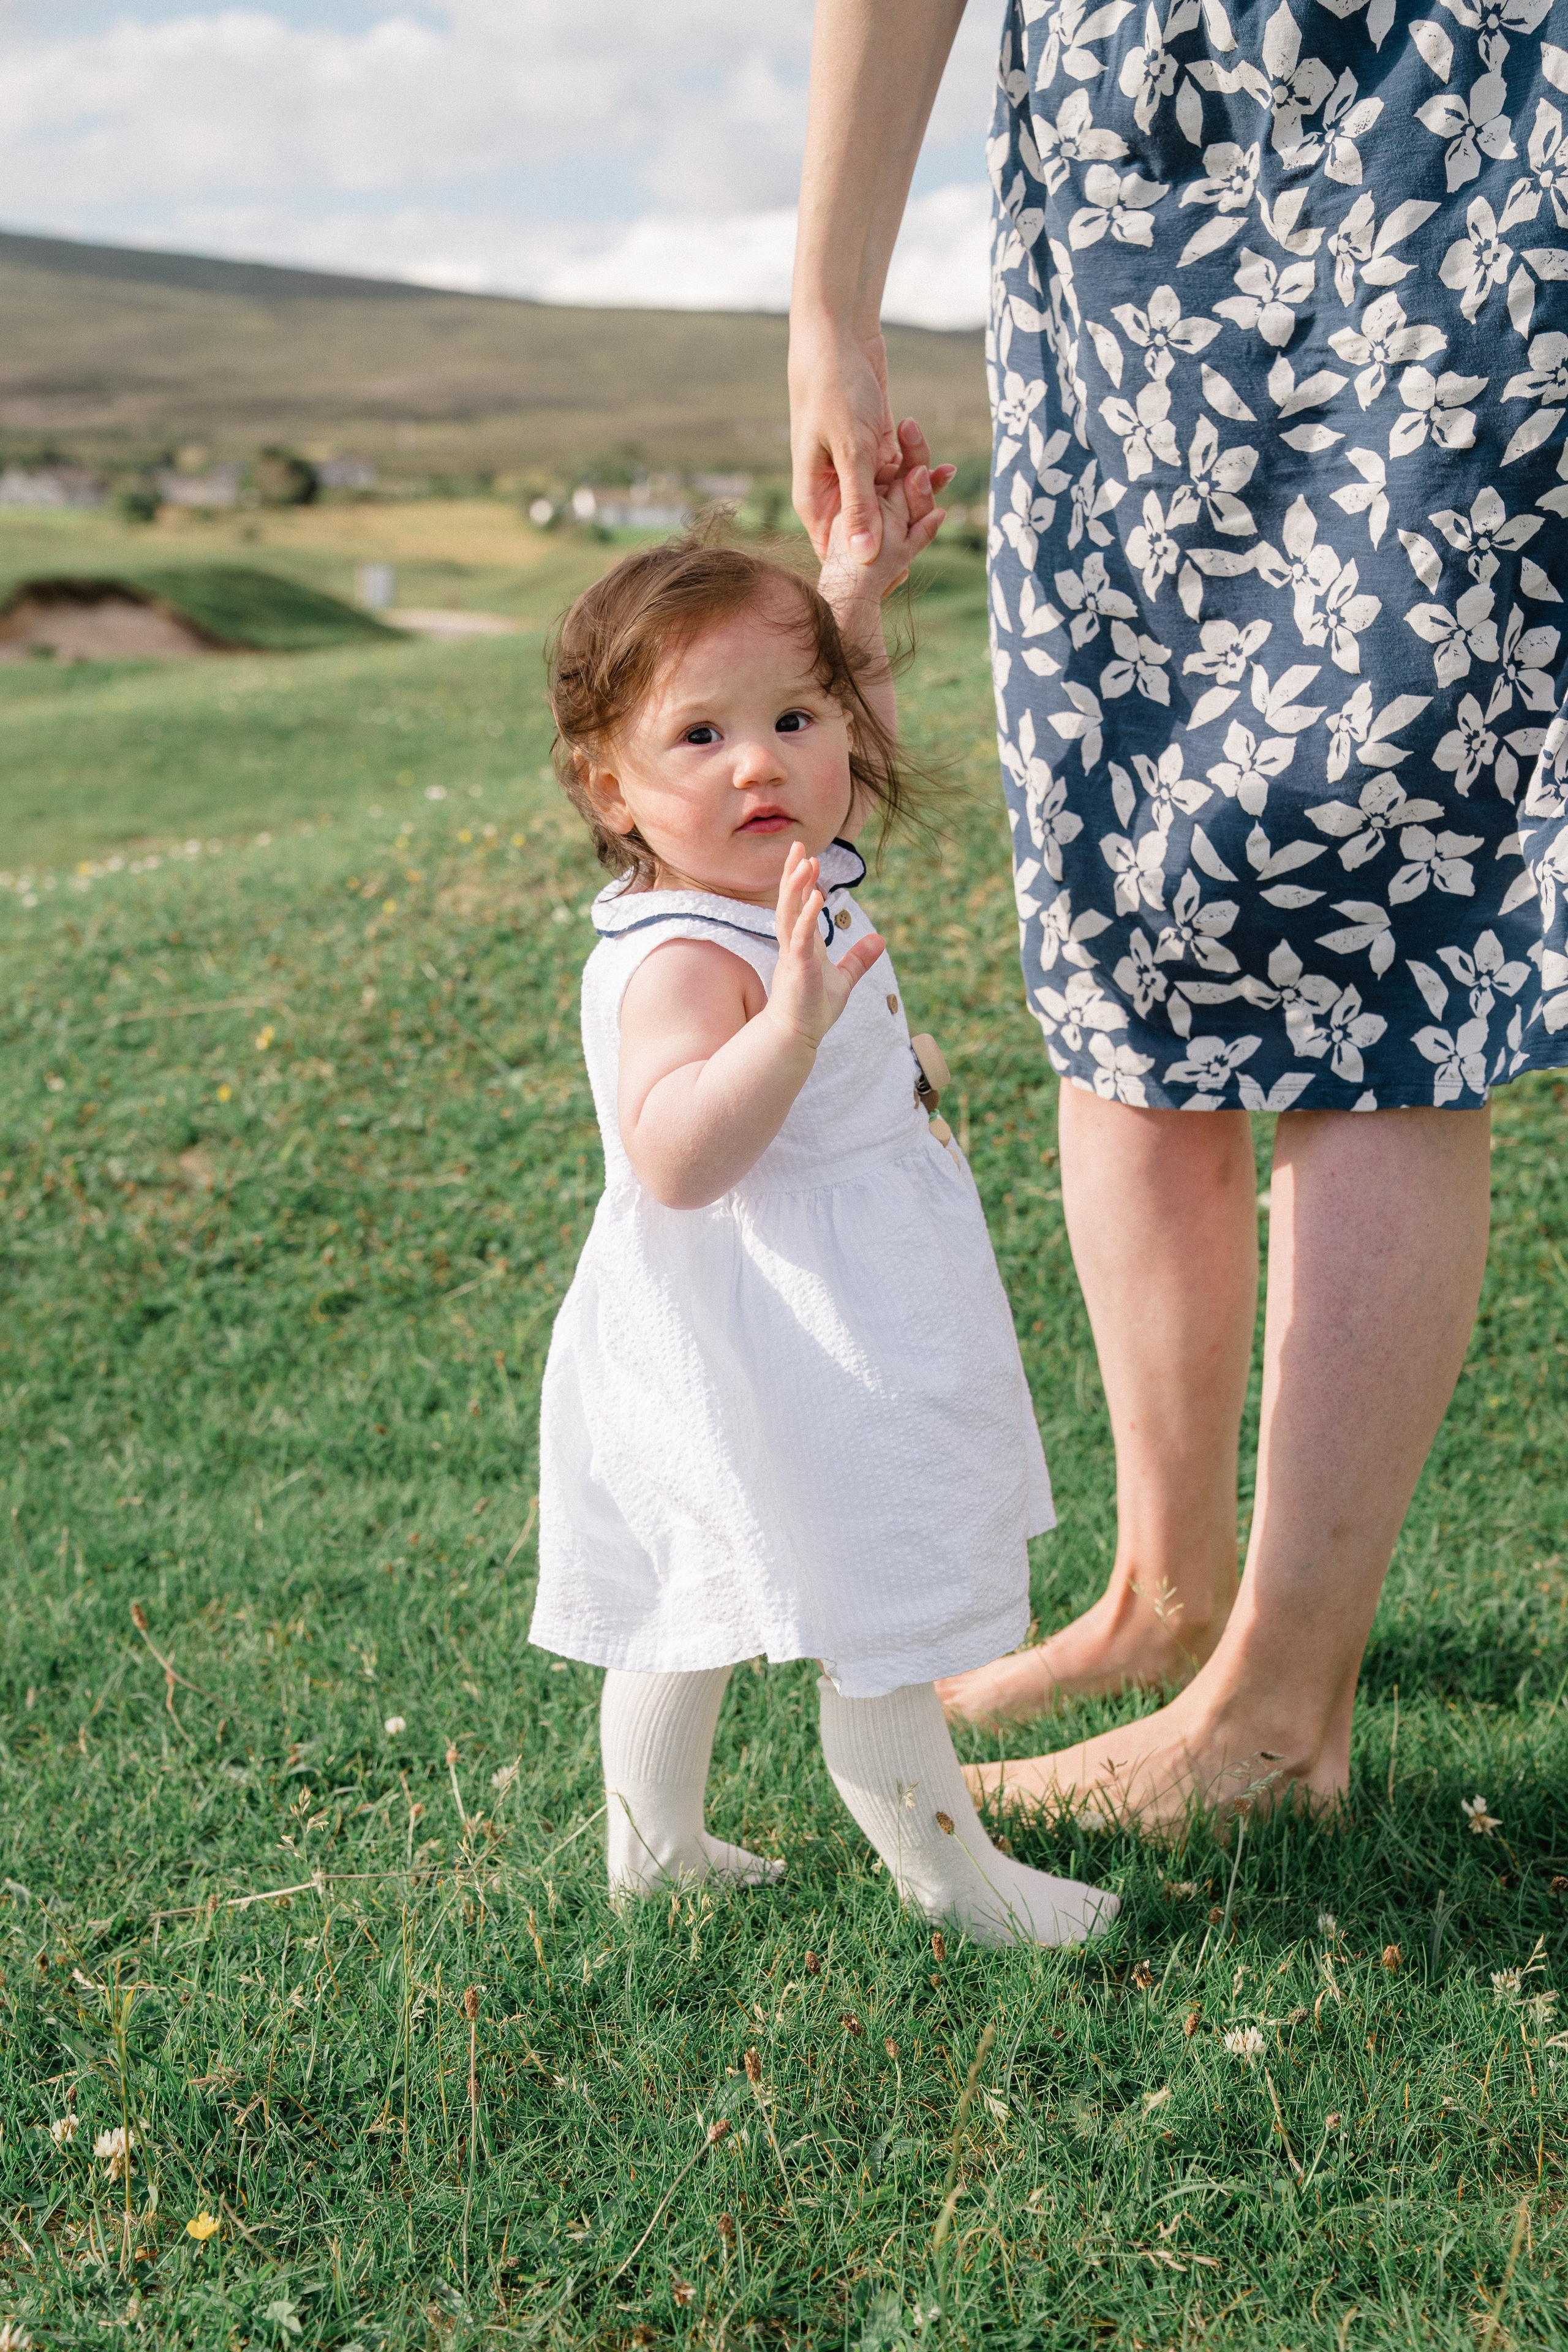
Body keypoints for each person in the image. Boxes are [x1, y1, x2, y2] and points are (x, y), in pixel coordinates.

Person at [788, 0, 1566, 1830]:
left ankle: (1282, 1715)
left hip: (1447, 137)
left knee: (1379, 912)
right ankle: (1168, 1596)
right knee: (1124, 901)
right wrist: (829, 297)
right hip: (1128, 195)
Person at [526, 466, 1118, 1945]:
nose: (760, 765)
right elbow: (673, 1154)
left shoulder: (777, 876)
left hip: (823, 1298)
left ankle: (654, 1852)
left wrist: (850, 588)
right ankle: (952, 1881)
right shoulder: (687, 954)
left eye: (795, 720)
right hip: (782, 1330)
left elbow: (819, 703)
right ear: (610, 785)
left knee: (706, 1579)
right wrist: (787, 1031)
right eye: (700, 736)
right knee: (875, 1596)